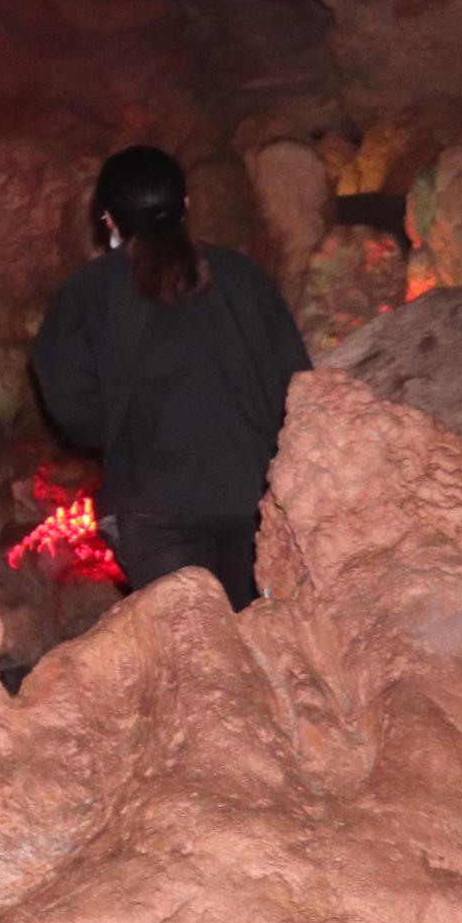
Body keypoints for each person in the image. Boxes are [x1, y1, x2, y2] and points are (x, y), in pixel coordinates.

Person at [31, 145, 312, 611]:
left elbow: (74, 410)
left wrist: (127, 433)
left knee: (197, 660)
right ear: (186, 204)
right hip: (253, 499)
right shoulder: (245, 278)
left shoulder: (86, 294)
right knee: (260, 647)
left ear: (108, 219)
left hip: (155, 505)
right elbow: (297, 385)